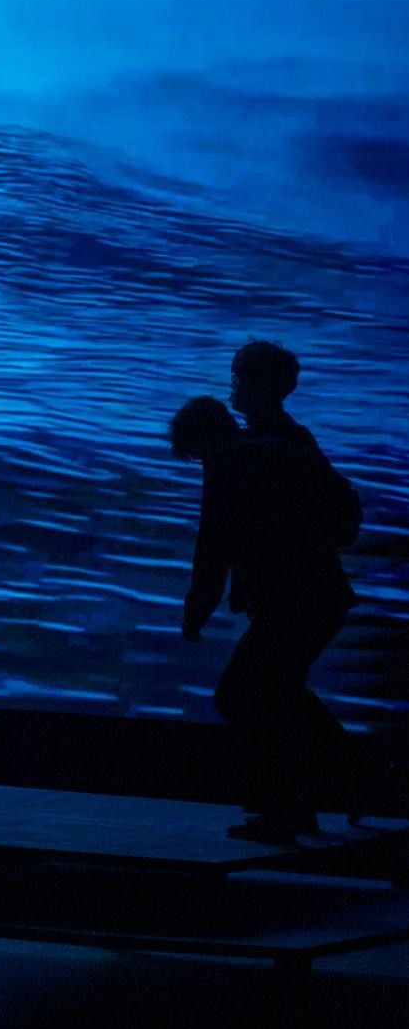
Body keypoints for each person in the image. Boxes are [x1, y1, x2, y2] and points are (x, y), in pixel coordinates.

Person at [170, 346, 361, 842]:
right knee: (274, 692)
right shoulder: (293, 439)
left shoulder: (231, 457)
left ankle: (296, 803)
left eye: (239, 378)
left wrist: (196, 611)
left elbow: (212, 546)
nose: (233, 386)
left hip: (290, 602)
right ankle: (332, 781)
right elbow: (340, 511)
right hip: (319, 598)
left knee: (243, 696)